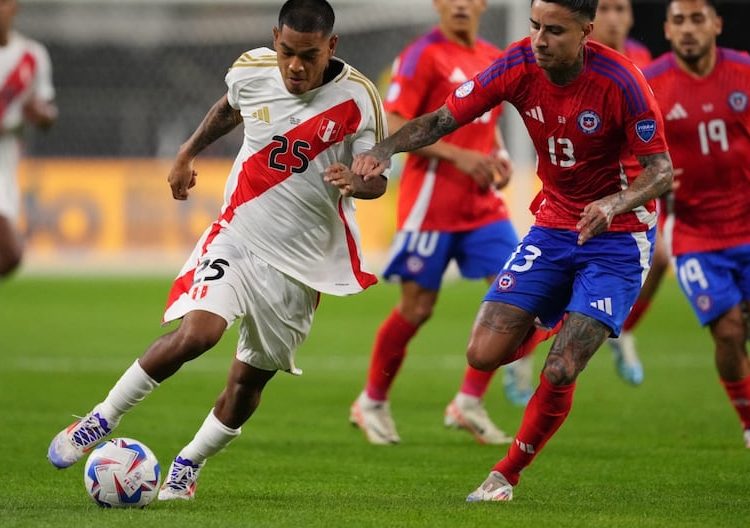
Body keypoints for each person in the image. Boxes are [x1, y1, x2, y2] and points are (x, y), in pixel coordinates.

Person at [47, 0, 388, 501]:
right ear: (275, 39)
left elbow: (377, 179)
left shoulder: (360, 98)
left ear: (331, 46)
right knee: (196, 334)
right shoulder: (252, 70)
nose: (295, 66)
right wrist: (186, 153)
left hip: (303, 264)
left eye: (308, 56)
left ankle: (188, 464)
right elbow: (229, 108)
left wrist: (359, 186)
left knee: (247, 383)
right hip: (240, 233)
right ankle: (100, 419)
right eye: (287, 52)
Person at [352, 0, 672, 501]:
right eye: (536, 27)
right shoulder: (518, 62)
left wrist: (614, 202)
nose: (541, 40)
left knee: (563, 367)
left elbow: (660, 171)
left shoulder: (622, 80)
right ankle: (557, 318)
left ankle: (506, 474)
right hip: (553, 223)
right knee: (482, 354)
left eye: (556, 31)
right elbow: (439, 119)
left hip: (618, 235)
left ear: (586, 32)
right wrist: (383, 150)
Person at [348, 0, 532, 448]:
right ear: (438, 4)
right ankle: (371, 401)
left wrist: (500, 156)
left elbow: (490, 121)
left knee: (520, 296)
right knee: (417, 309)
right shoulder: (421, 55)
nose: (462, 5)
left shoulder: (492, 56)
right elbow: (393, 122)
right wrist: (460, 156)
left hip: (482, 206)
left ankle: (468, 401)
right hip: (430, 205)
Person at [644, 0, 750, 448]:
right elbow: (625, 150)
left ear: (717, 24)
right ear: (667, 29)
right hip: (693, 234)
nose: (689, 29)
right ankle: (748, 421)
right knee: (726, 330)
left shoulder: (744, 72)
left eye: (698, 19)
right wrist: (649, 176)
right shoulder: (650, 84)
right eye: (680, 21)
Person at [590, 0, 669, 386]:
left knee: (662, 257)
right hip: (587, 186)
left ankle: (622, 331)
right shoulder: (579, 58)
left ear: (632, 17)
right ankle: (522, 361)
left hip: (635, 186)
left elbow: (657, 124)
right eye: (605, 9)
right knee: (562, 280)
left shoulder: (642, 58)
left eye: (621, 9)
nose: (614, 19)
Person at [0, 0, 57, 278]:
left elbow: (47, 109)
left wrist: (41, 113)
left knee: (10, 258)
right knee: (11, 252)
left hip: (6, 161)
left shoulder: (31, 56)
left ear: (15, 7)